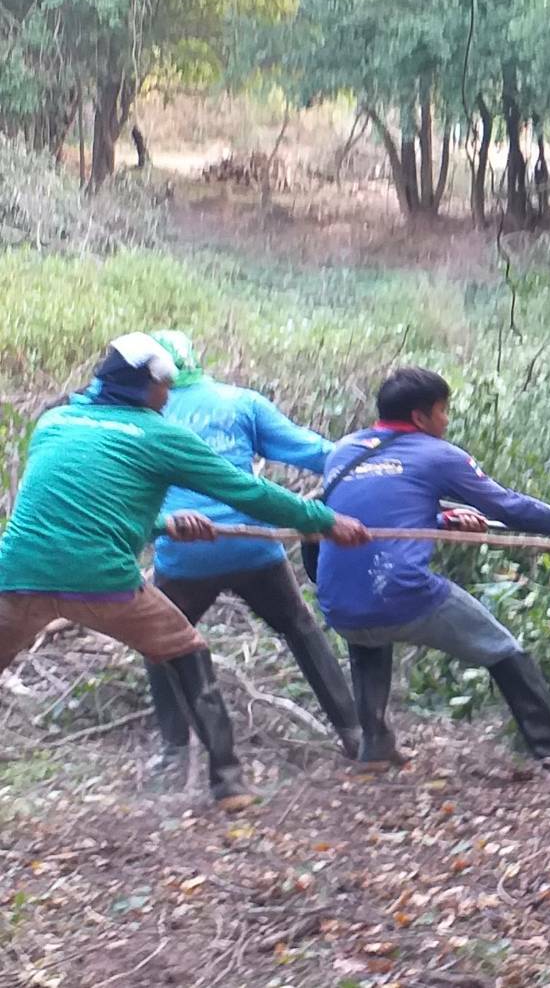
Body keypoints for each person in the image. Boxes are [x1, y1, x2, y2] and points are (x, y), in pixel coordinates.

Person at [0, 334, 370, 809]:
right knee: (185, 649)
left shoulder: (54, 422)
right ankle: (228, 782)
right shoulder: (161, 435)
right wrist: (324, 520)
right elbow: (247, 491)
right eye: (164, 387)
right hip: (104, 581)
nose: (169, 395)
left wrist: (162, 523)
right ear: (145, 386)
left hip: (15, 576)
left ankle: (176, 756)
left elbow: (83, 508)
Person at [316, 366, 550, 768]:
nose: (446, 421)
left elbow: (370, 513)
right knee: (503, 648)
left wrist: (441, 520)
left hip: (337, 602)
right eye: (442, 411)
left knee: (367, 627)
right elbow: (509, 507)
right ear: (420, 416)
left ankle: (374, 748)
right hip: (402, 593)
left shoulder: (342, 451)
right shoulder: (438, 454)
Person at [142, 331, 359, 789]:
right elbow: (313, 451)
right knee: (299, 627)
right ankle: (355, 734)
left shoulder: (143, 416)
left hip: (185, 555)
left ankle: (175, 754)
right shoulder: (240, 402)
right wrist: (374, 463)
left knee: (161, 644)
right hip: (252, 548)